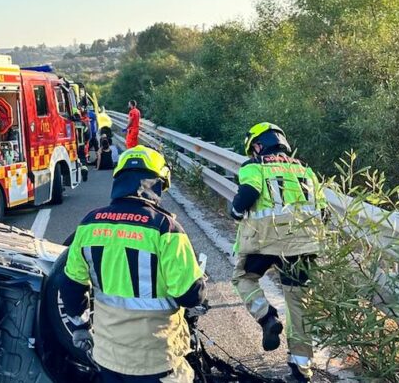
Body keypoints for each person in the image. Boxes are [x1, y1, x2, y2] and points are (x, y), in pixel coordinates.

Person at [62, 146, 207, 383]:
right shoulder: (166, 228)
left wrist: (80, 326)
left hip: (108, 357)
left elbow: (71, 285)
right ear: (157, 184)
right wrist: (200, 284)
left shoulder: (89, 224)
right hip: (156, 359)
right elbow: (189, 295)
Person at [230, 123, 326, 382]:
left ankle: (267, 316)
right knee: (298, 302)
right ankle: (300, 368)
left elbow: (248, 192)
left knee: (243, 277)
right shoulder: (305, 169)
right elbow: (323, 210)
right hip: (304, 244)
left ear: (258, 146)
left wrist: (236, 211)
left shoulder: (255, 166)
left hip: (266, 241)